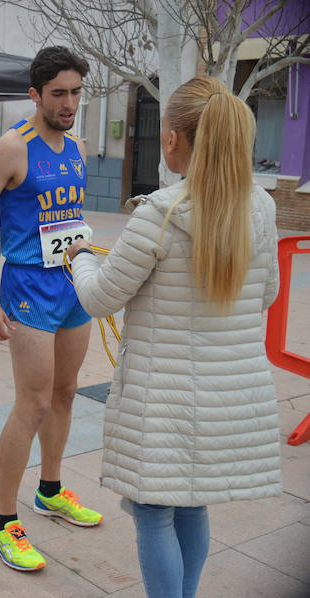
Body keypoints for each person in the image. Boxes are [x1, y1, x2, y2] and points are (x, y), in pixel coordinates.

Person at [66, 75, 281, 598]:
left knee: (153, 510)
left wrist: (80, 260)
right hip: (229, 393)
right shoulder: (261, 207)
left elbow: (99, 298)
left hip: (164, 396)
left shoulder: (160, 214)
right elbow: (266, 295)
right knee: (191, 502)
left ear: (173, 139)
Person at [0, 46, 101, 573]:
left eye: (76, 93)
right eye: (59, 93)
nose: (69, 103)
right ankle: (3, 523)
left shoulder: (79, 147)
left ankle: (51, 489)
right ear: (35, 94)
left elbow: (68, 216)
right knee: (33, 404)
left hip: (71, 285)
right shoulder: (10, 149)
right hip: (25, 290)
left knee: (66, 393)